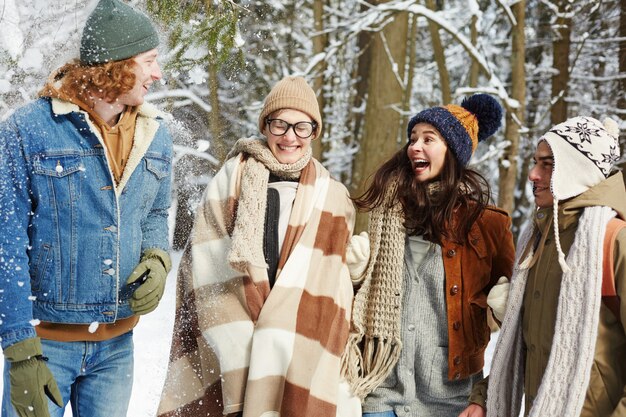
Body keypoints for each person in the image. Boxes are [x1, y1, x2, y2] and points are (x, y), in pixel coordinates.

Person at [0, 1, 173, 416]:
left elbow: (155, 212)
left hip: (117, 348)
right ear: (116, 66)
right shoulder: (27, 131)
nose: (158, 74)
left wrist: (157, 255)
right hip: (45, 346)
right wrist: (20, 347)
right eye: (149, 61)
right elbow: (6, 243)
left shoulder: (156, 133)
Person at [157, 76, 358, 417]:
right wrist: (240, 327)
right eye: (280, 124)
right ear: (266, 125)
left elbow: (333, 279)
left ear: (314, 132)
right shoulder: (231, 178)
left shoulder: (333, 195)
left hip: (300, 333)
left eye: (301, 127)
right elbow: (207, 258)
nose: (289, 136)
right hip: (234, 326)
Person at [341, 94, 515, 417]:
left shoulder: (488, 224)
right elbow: (365, 306)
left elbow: (515, 330)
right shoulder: (388, 214)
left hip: (451, 402)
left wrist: (504, 308)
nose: (414, 147)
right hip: (383, 394)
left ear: (452, 151)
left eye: (428, 139)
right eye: (412, 138)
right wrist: (354, 277)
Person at [460, 116, 626, 417]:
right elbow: (527, 342)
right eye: (535, 162)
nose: (533, 174)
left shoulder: (614, 241)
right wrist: (485, 397)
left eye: (548, 164)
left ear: (578, 171)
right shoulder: (539, 241)